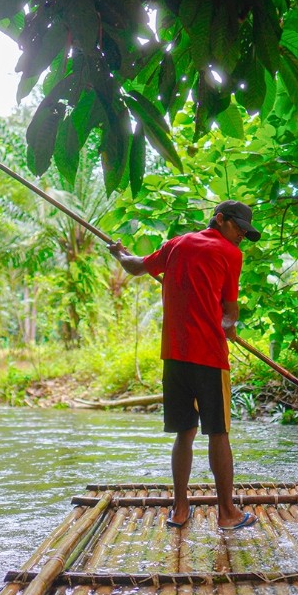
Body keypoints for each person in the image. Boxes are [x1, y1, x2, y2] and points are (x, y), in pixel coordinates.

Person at [108, 201, 261, 530]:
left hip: (175, 356)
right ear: (220, 219)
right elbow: (230, 309)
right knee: (218, 433)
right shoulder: (231, 254)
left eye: (244, 232)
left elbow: (136, 266)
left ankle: (180, 509)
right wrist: (229, 328)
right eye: (238, 228)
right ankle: (227, 514)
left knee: (185, 432)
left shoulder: (177, 244)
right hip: (209, 356)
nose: (240, 236)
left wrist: (119, 254)